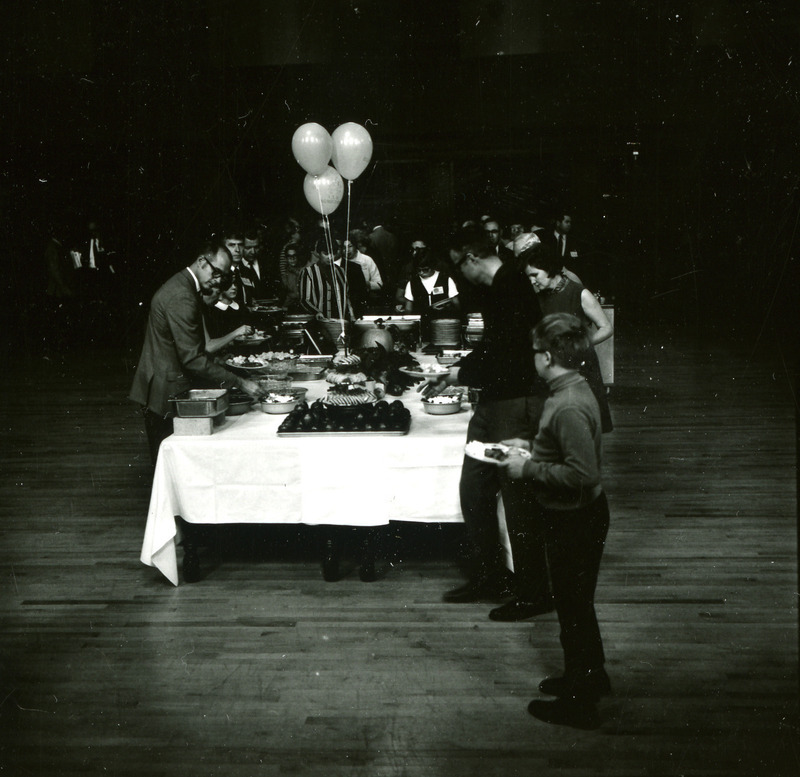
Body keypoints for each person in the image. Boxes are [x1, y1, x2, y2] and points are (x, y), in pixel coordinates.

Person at [421, 230, 551, 621]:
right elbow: (494, 347)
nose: (459, 273)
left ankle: (533, 593)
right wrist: (457, 373)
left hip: (515, 405)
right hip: (494, 403)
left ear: (473, 257)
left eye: (459, 264)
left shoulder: (511, 285)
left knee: (518, 500)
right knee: (475, 488)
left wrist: (461, 372)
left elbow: (508, 352)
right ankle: (490, 576)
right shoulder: (501, 286)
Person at [499, 313, 611, 730]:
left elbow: (584, 475)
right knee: (576, 605)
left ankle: (580, 706)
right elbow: (565, 449)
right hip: (581, 516)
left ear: (546, 357)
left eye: (534, 352)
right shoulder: (573, 387)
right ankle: (592, 677)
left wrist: (527, 470)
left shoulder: (565, 405)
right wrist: (530, 445)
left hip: (574, 519)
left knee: (573, 609)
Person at [129, 241, 261, 466]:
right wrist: (240, 382)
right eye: (216, 272)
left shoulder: (182, 285)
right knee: (171, 467)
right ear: (202, 261)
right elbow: (192, 359)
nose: (218, 280)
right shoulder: (183, 295)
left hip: (163, 385)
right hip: (166, 391)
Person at [516, 236, 613, 433]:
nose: (531, 281)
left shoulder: (579, 293)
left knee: (581, 428)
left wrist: (582, 344)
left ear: (550, 269)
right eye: (528, 276)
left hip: (580, 370)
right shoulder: (535, 296)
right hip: (548, 370)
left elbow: (606, 327)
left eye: (535, 275)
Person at [403, 248, 460, 339]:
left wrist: (448, 307)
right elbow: (408, 309)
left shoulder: (446, 280)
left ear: (433, 266)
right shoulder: (412, 283)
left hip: (444, 329)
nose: (421, 273)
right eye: (419, 270)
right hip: (422, 330)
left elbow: (457, 304)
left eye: (425, 270)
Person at [298, 239, 355, 321]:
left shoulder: (341, 271)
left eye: (333, 253)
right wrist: (317, 312)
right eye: (326, 254)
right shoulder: (308, 272)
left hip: (340, 322)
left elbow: (346, 297)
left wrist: (352, 315)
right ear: (318, 254)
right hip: (319, 323)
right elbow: (304, 300)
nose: (330, 257)